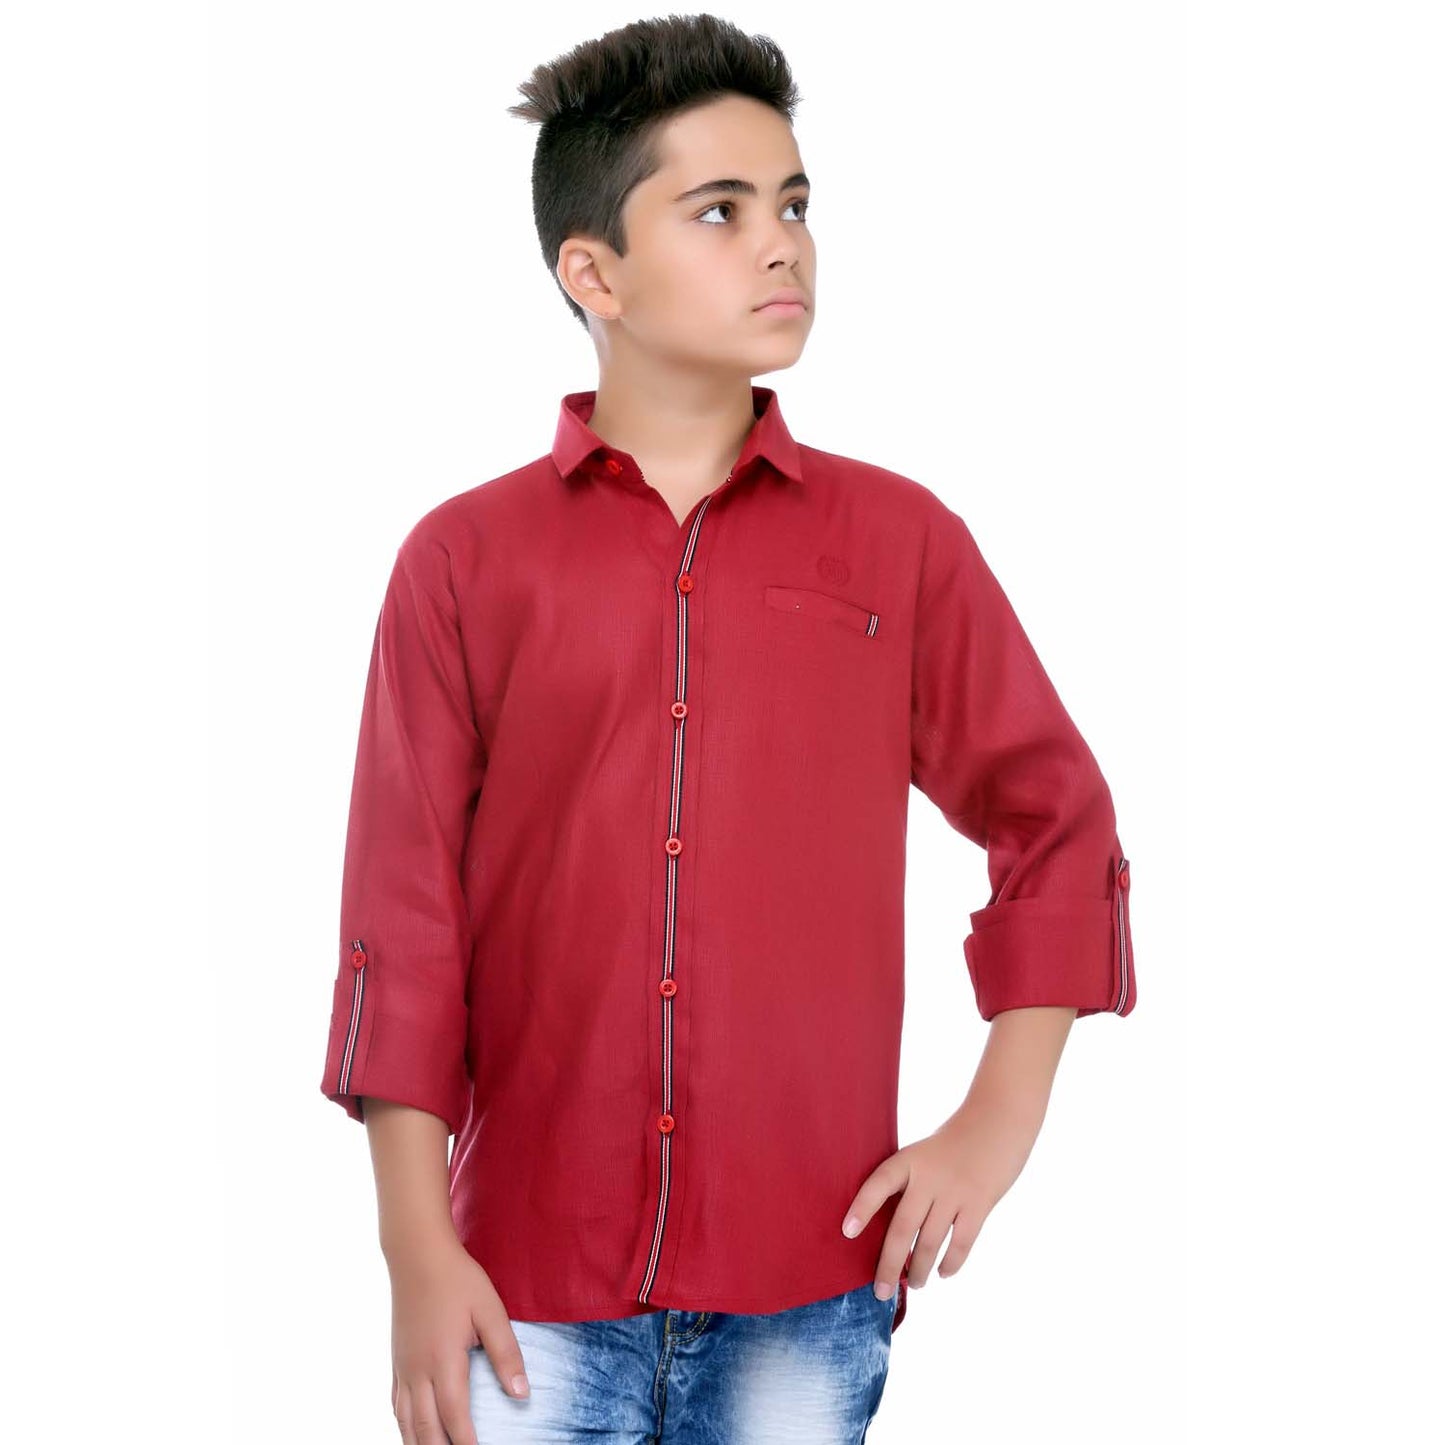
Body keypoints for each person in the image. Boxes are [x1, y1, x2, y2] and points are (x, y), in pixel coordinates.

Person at [319, 13, 1138, 1443]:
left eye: (795, 205)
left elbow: (1055, 819)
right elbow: (404, 917)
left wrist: (995, 1123)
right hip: (523, 1286)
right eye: (720, 210)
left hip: (808, 1279)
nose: (782, 246)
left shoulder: (901, 544)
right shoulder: (462, 561)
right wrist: (413, 1250)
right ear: (593, 273)